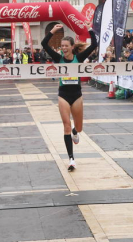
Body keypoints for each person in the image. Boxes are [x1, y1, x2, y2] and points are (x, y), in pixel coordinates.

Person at [41, 22, 97, 171]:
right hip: (63, 95)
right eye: (62, 46)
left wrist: (90, 29)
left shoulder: (79, 57)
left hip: (77, 95)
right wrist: (52, 31)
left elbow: (94, 45)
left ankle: (75, 132)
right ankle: (71, 159)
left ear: (72, 47)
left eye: (66, 46)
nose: (63, 48)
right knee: (66, 125)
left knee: (78, 127)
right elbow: (44, 44)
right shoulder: (58, 58)